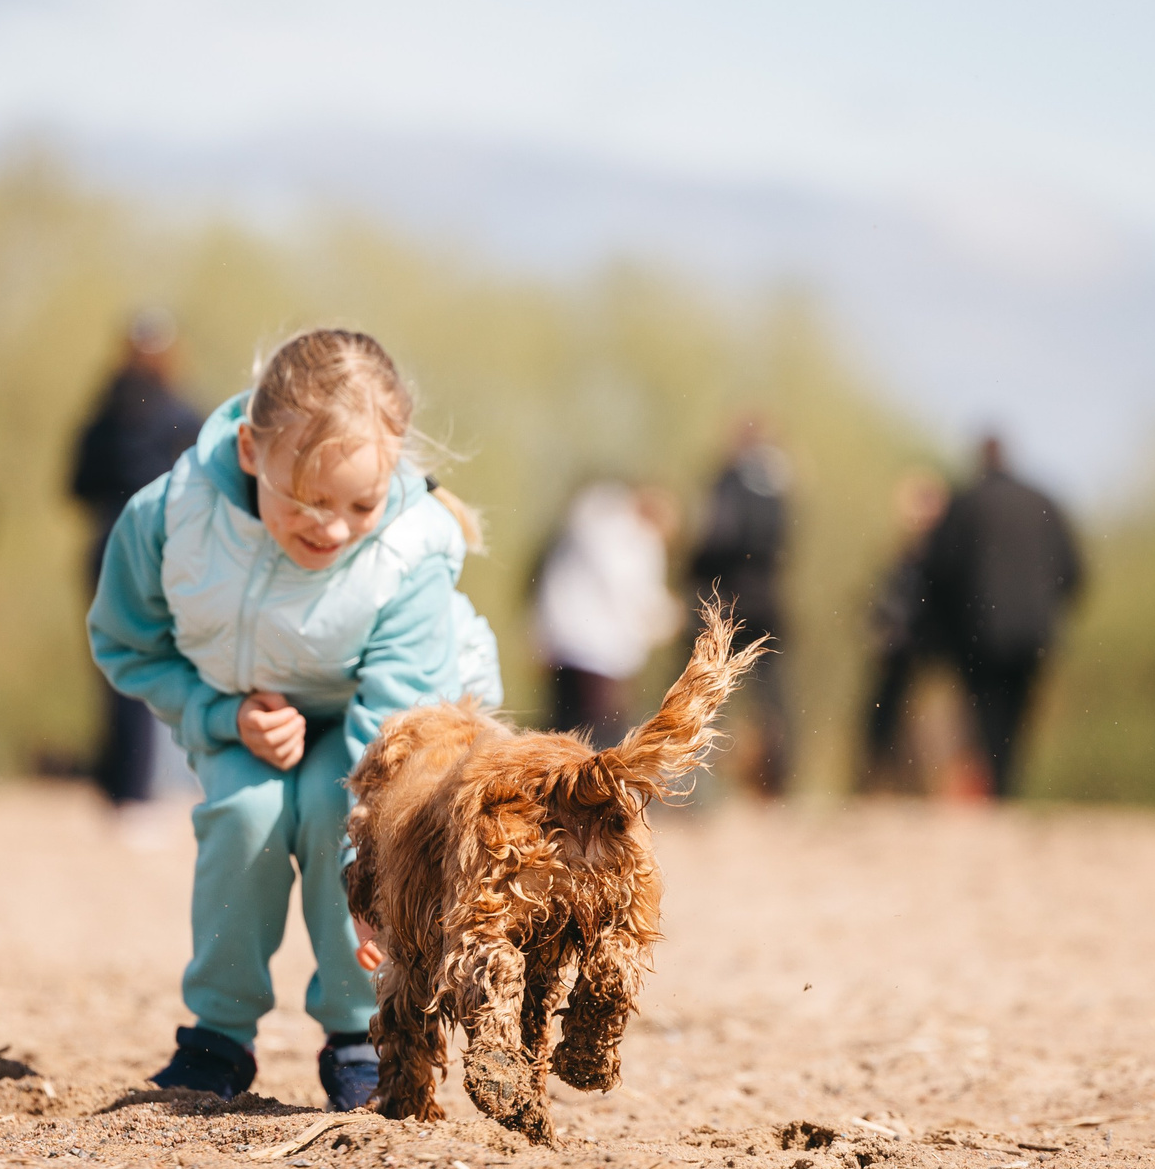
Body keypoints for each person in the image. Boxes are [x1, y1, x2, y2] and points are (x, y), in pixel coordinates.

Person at [88, 329, 500, 1111]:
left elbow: (392, 726)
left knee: (325, 817)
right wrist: (219, 712)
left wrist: (372, 875)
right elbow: (123, 640)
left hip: (378, 724)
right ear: (249, 451)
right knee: (246, 815)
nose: (332, 528)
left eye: (359, 505)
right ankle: (216, 1037)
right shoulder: (171, 519)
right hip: (246, 714)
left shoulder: (411, 554)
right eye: (306, 500)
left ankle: (359, 1035)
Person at [69, 309, 205, 808]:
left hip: (108, 543)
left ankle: (123, 787)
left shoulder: (100, 418)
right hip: (170, 544)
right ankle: (154, 785)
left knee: (117, 660)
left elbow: (76, 486)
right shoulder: (185, 416)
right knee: (174, 659)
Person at [919, 434, 1084, 800]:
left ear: (980, 459)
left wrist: (944, 630)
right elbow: (1074, 571)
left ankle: (996, 793)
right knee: (1017, 715)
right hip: (1034, 632)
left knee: (985, 713)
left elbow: (937, 570)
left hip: (979, 633)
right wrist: (1047, 611)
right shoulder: (1043, 502)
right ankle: (1007, 790)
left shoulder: (965, 504)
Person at [687, 420, 793, 796]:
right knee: (773, 693)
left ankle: (699, 785)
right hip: (768, 598)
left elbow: (718, 537)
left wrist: (691, 569)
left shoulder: (730, 481)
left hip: (725, 599)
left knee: (705, 687)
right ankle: (781, 781)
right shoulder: (781, 485)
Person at [533, 481, 681, 745]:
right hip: (598, 653)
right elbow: (632, 592)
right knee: (594, 735)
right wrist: (666, 617)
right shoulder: (628, 540)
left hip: (570, 645)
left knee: (564, 728)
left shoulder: (591, 526)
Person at [859, 470, 948, 793]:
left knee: (904, 721)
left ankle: (902, 788)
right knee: (891, 720)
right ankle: (887, 786)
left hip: (915, 648)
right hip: (905, 645)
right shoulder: (912, 552)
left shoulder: (933, 553)